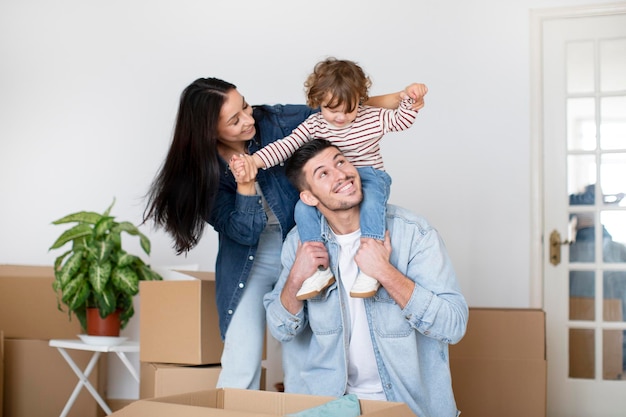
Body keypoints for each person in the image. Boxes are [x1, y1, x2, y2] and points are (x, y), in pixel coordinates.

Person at [143, 77, 427, 390]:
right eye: (235, 120)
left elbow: (341, 106)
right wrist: (245, 184)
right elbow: (243, 232)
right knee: (241, 359)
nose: (249, 119)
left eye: (246, 106)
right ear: (208, 131)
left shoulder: (274, 120)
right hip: (248, 260)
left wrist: (400, 98)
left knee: (302, 357)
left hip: (301, 243)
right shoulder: (201, 173)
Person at [263, 139, 468, 417]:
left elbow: (453, 325)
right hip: (330, 407)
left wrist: (385, 272)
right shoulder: (299, 244)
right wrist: (296, 278)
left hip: (407, 407)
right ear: (309, 197)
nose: (341, 174)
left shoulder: (413, 233)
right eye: (323, 173)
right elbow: (280, 329)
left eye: (340, 162)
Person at [232, 57, 428, 301]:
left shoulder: (370, 117)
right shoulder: (315, 124)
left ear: (360, 101)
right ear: (318, 102)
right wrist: (254, 161)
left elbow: (401, 121)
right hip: (336, 182)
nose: (340, 118)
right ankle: (319, 269)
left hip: (369, 175)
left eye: (349, 110)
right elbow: (286, 146)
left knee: (372, 202)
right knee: (303, 207)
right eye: (331, 110)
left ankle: (372, 262)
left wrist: (410, 99)